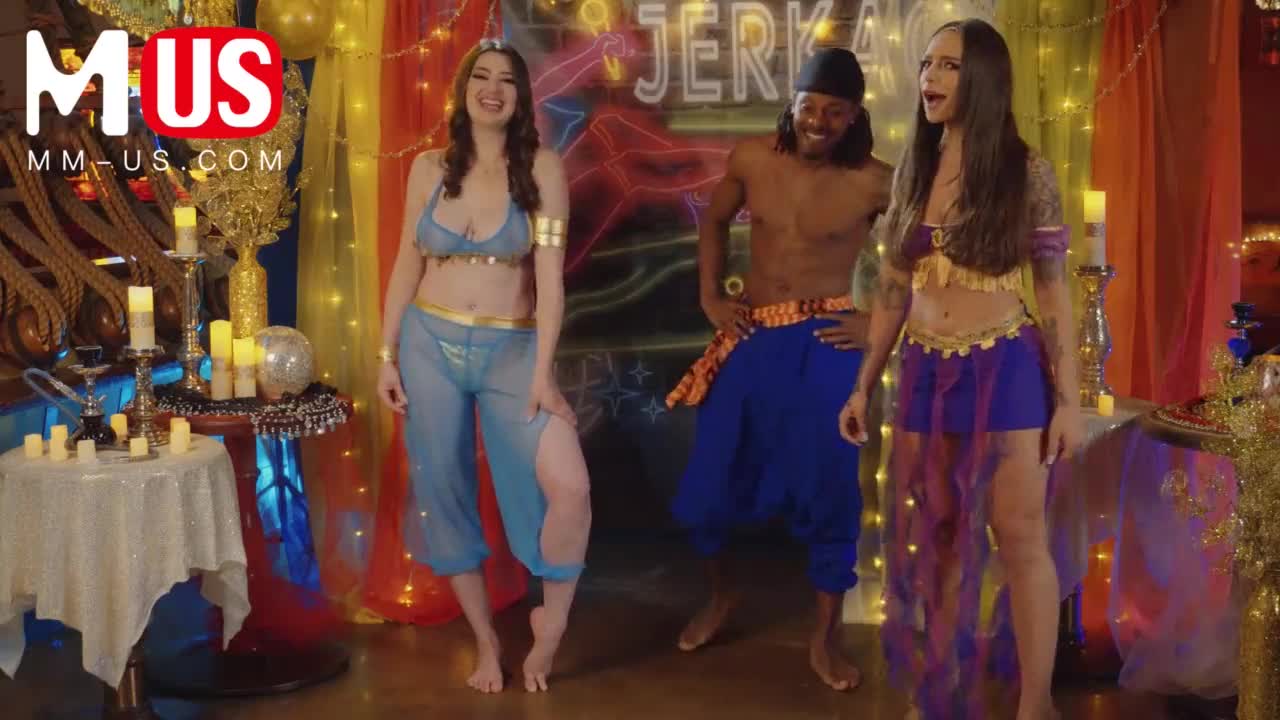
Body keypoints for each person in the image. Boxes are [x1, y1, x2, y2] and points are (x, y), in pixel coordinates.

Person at [838, 19, 1084, 720]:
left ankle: (1035, 704)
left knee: (1020, 535)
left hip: (1005, 366)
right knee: (941, 540)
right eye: (926, 64)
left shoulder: (1025, 172)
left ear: (981, 77)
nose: (929, 78)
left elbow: (1053, 293)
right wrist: (863, 384)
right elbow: (892, 289)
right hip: (924, 371)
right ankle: (939, 692)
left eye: (947, 65)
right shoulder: (913, 168)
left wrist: (1069, 401)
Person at [665, 47, 892, 691]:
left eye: (835, 111)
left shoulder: (877, 181)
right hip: (755, 333)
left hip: (827, 338)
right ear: (791, 105)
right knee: (710, 481)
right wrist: (711, 297)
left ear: (854, 116)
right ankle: (721, 596)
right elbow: (712, 221)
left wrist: (877, 322)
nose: (818, 121)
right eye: (808, 106)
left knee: (830, 487)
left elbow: (922, 258)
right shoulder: (752, 158)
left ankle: (824, 637)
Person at [375, 39, 591, 694]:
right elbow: (407, 263)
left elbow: (550, 282)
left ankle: (551, 626)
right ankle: (486, 642)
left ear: (521, 97)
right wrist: (386, 354)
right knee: (444, 494)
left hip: (512, 350)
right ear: (464, 89)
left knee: (570, 487)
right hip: (428, 347)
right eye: (481, 77)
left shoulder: (543, 169)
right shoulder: (428, 169)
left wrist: (543, 374)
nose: (492, 89)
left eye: (507, 80)